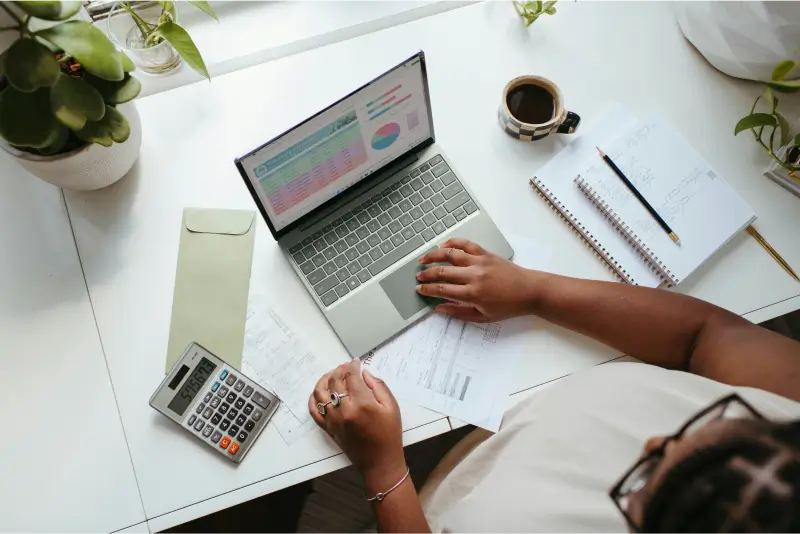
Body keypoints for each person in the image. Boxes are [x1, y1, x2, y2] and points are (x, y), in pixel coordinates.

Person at [307, 239, 800, 534]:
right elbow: (706, 335)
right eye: (718, 421)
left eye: (648, 482)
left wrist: (384, 470)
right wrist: (536, 292)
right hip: (508, 424)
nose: (651, 442)